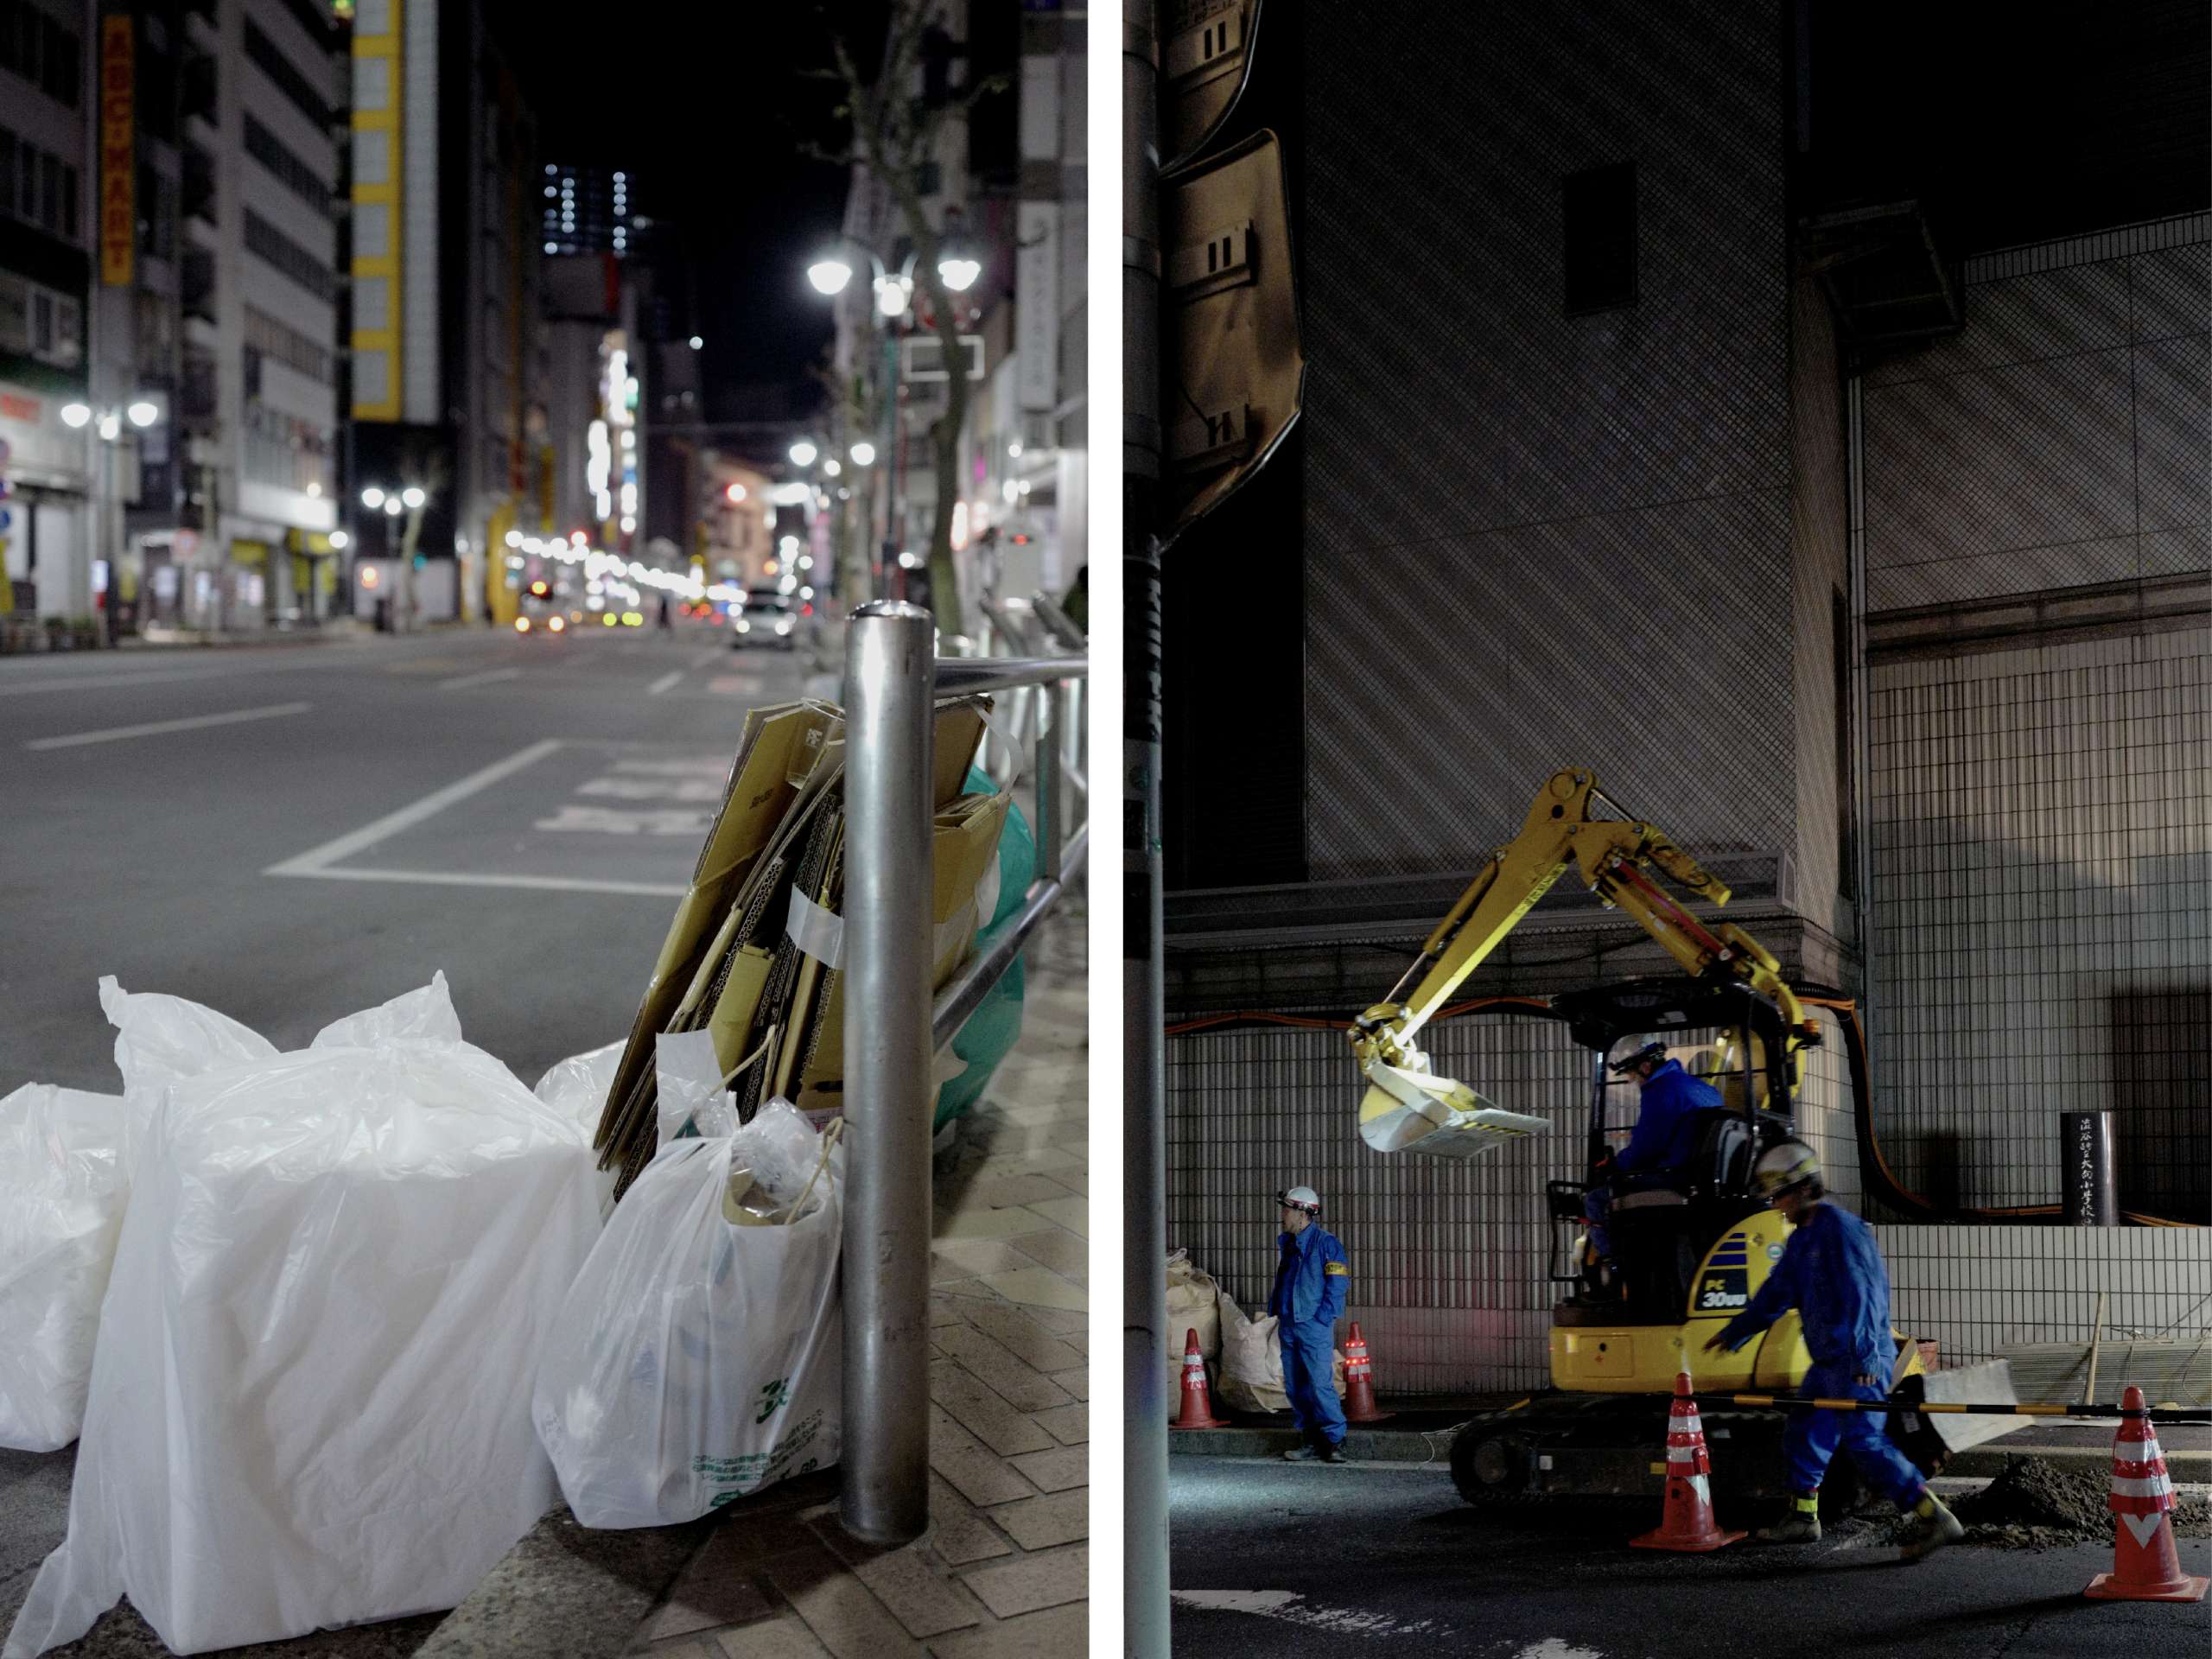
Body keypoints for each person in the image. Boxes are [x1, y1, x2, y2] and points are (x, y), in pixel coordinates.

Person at [1702, 1140, 1964, 1557]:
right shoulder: (1804, 1239)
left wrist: (1863, 1357)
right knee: (1804, 1428)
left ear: (1805, 1188)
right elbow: (1778, 1292)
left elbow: (1865, 1294)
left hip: (1857, 1362)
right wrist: (1737, 1332)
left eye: (1780, 1195)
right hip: (1827, 1363)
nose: (1776, 1206)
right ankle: (1804, 1519)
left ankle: (1934, 1516)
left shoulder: (1842, 1230)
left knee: (1865, 1443)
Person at [1581, 1039, 1720, 1276]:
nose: (1632, 1082)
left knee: (1595, 1200)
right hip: (1701, 1180)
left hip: (1674, 1178)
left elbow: (1645, 1148)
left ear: (1646, 1067)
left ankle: (1616, 1273)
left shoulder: (1661, 1090)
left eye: (1633, 1076)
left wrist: (1613, 1166)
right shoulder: (1702, 1088)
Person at [1269, 1185, 1350, 1464]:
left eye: (1287, 1209)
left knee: (1319, 1384)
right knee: (1295, 1386)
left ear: (1303, 1213)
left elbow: (1337, 1285)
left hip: (1313, 1324)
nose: (1283, 1215)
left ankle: (1334, 1440)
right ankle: (1310, 1440)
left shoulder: (1327, 1244)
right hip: (1290, 1322)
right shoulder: (1290, 1244)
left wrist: (1322, 1318)